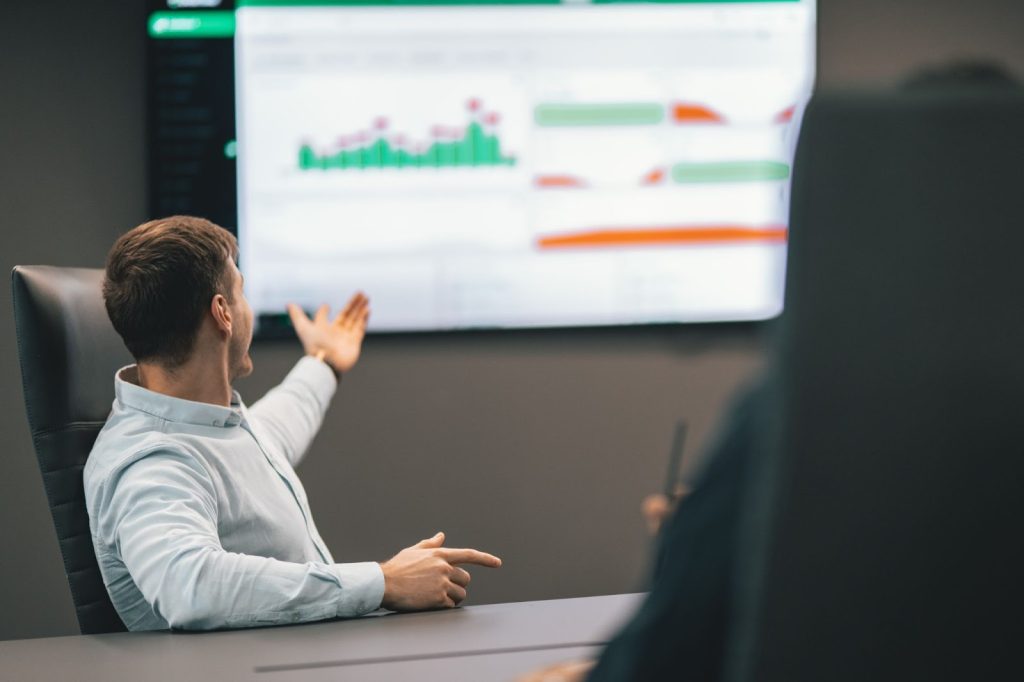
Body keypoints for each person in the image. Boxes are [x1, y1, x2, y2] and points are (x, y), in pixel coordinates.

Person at [84, 215, 501, 631]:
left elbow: (276, 428)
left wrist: (324, 363)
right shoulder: (151, 461)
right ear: (223, 313)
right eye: (242, 292)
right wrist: (383, 581)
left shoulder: (203, 423)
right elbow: (190, 585)